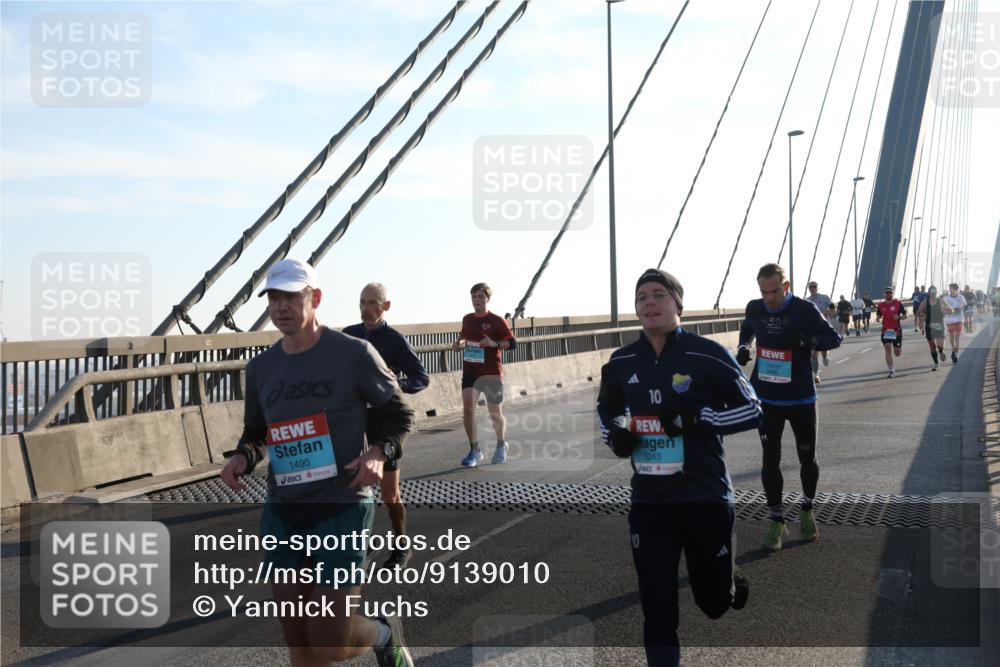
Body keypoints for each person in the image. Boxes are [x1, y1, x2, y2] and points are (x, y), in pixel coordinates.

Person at [220, 259, 416, 667]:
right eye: (274, 298)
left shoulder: (354, 353)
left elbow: (401, 415)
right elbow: (256, 432)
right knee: (298, 640)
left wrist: (379, 453)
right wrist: (242, 456)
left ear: (316, 298)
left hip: (341, 507)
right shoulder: (260, 369)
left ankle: (384, 632)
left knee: (328, 642)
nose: (281, 306)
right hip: (284, 511)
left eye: (291, 296)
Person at [598, 268, 760, 667]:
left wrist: (697, 419)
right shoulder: (621, 361)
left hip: (705, 496)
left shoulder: (708, 354)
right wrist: (616, 434)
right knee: (657, 608)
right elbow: (607, 410)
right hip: (650, 503)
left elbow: (753, 409)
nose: (649, 303)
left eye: (659, 295)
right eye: (641, 298)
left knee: (714, 604)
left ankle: (726, 579)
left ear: (678, 304)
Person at [737, 263, 842, 551]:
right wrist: (744, 346)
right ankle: (776, 520)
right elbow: (747, 328)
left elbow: (834, 338)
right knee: (769, 459)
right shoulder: (755, 307)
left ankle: (807, 509)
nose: (769, 298)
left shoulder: (805, 310)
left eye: (774, 291)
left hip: (800, 399)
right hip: (767, 398)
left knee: (807, 456)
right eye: (763, 292)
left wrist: (807, 341)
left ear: (786, 286)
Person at [344, 282, 429, 569]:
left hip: (386, 424)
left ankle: (401, 547)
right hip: (357, 423)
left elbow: (421, 378)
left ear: (386, 306)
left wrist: (397, 383)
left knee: (390, 494)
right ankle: (362, 547)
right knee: (354, 490)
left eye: (373, 303)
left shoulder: (395, 340)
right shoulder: (349, 335)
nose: (366, 308)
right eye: (362, 302)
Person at [452, 283, 515, 467]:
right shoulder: (467, 319)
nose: (476, 300)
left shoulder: (496, 320)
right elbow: (464, 337)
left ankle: (501, 444)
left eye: (480, 297)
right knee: (468, 408)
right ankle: (474, 450)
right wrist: (458, 345)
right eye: (474, 297)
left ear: (488, 299)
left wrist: (493, 343)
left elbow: (512, 343)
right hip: (471, 370)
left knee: (495, 413)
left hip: (491, 372)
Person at [876, 286, 907, 378]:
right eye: (887, 293)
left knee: (897, 353)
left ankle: (897, 349)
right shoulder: (881, 305)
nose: (888, 294)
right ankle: (891, 370)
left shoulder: (898, 303)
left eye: (890, 292)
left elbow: (905, 315)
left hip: (896, 330)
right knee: (887, 348)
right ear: (884, 294)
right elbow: (878, 315)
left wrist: (899, 317)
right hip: (886, 331)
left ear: (892, 294)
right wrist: (878, 318)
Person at [805, 281, 833, 382]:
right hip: (813, 329)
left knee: (823, 348)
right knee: (814, 353)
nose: (813, 288)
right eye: (811, 287)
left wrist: (828, 313)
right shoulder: (807, 301)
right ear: (809, 289)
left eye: (814, 287)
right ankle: (816, 374)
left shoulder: (825, 297)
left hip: (824, 327)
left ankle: (825, 356)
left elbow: (833, 308)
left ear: (817, 288)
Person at [917, 286, 946, 371]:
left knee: (940, 346)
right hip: (929, 327)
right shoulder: (924, 303)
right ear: (929, 293)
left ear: (936, 292)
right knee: (932, 346)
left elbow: (949, 309)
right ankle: (936, 364)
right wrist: (921, 320)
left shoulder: (941, 301)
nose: (933, 294)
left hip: (940, 325)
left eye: (934, 292)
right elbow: (919, 313)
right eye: (931, 292)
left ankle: (941, 351)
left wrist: (949, 310)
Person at [941, 283, 967, 363]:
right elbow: (942, 309)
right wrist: (947, 311)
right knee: (951, 338)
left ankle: (955, 354)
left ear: (956, 289)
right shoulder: (946, 298)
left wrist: (960, 308)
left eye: (951, 288)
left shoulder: (961, 297)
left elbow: (965, 306)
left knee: (957, 338)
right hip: (949, 320)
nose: (950, 290)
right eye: (949, 289)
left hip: (959, 319)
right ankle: (953, 350)